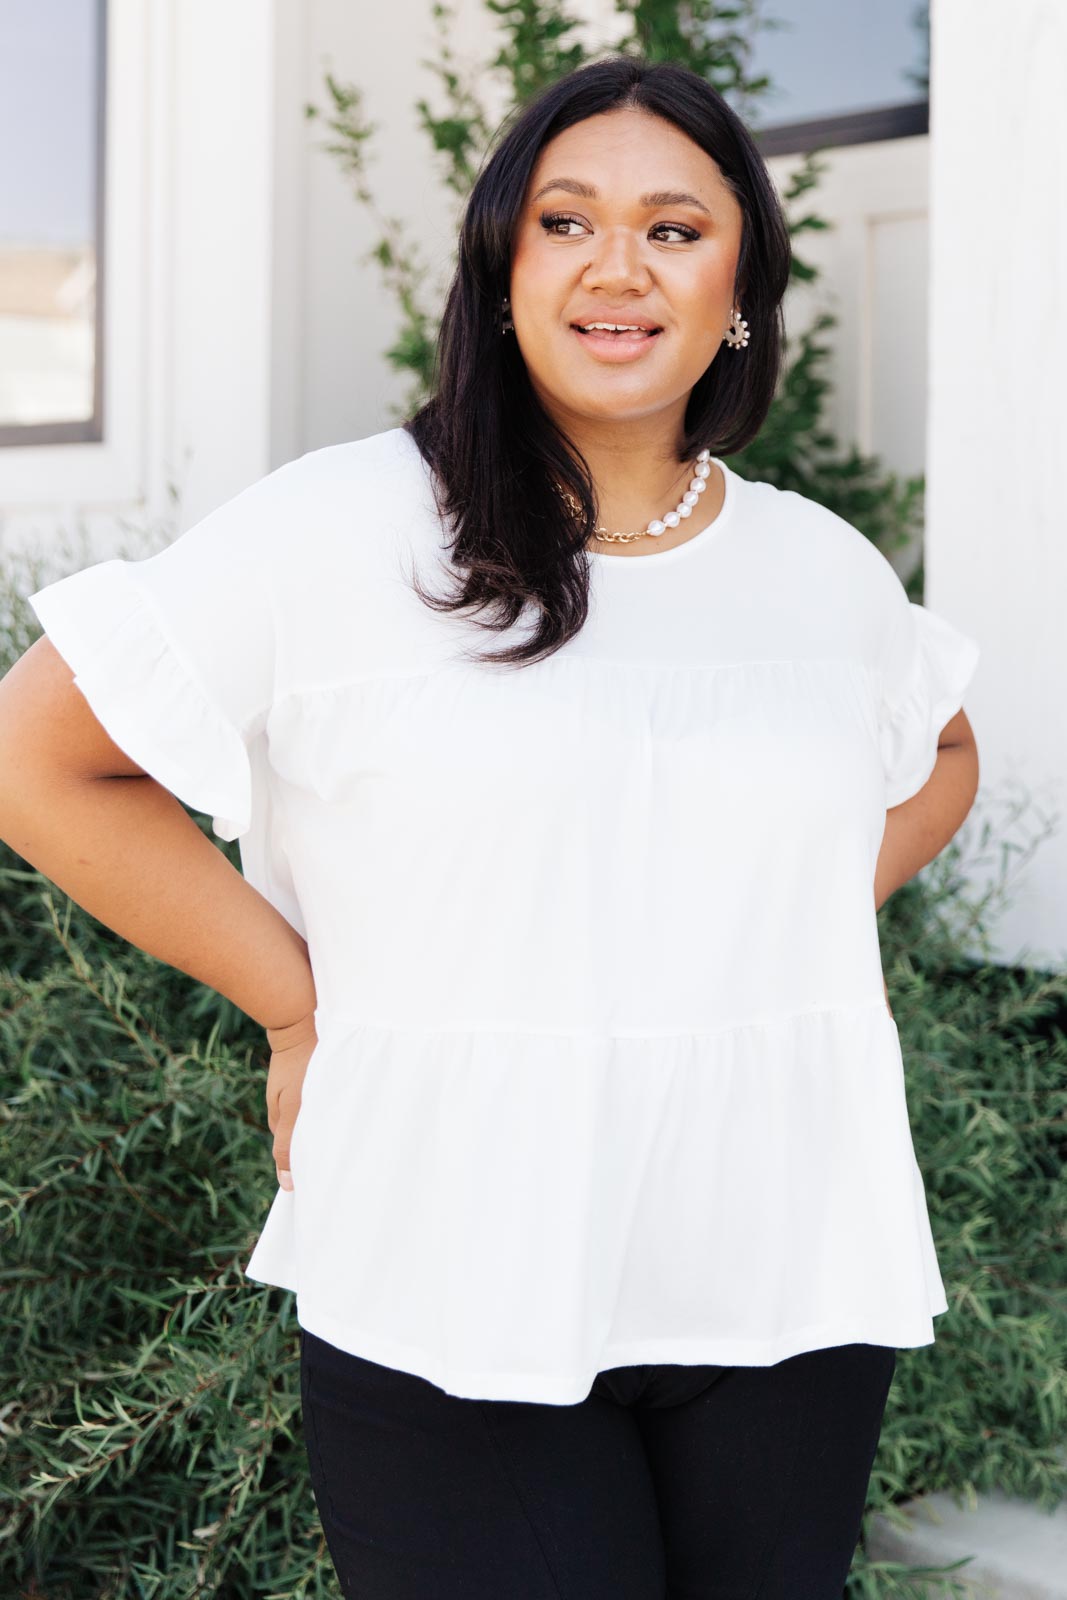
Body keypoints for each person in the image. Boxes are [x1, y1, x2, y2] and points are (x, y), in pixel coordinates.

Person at [0, 53, 980, 1600]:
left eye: (674, 229)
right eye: (565, 222)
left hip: (787, 1277)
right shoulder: (342, 529)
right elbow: (35, 759)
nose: (616, 267)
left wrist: (772, 906)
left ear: (741, 284)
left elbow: (941, 751)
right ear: (503, 271)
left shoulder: (819, 569)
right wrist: (295, 1003)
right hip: (450, 1269)